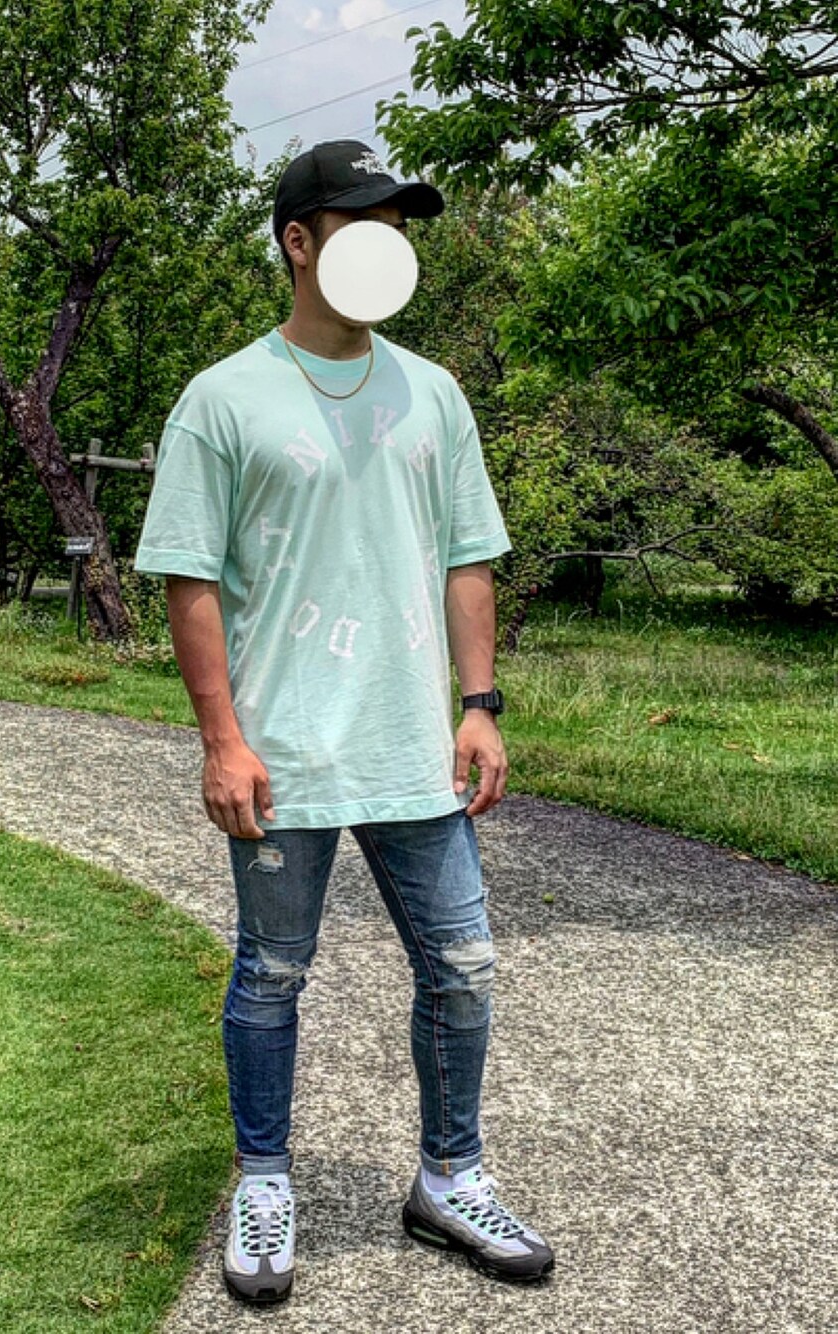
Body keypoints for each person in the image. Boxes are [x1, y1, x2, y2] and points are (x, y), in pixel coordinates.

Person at [134, 139, 555, 1306]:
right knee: (271, 974)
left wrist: (479, 704)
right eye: (365, 223)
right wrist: (221, 740)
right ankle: (264, 1179)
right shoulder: (223, 398)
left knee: (462, 966)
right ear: (298, 241)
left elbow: (468, 556)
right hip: (283, 754)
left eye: (398, 226)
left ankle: (449, 1176)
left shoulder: (434, 392)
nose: (389, 244)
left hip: (411, 746)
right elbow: (189, 577)